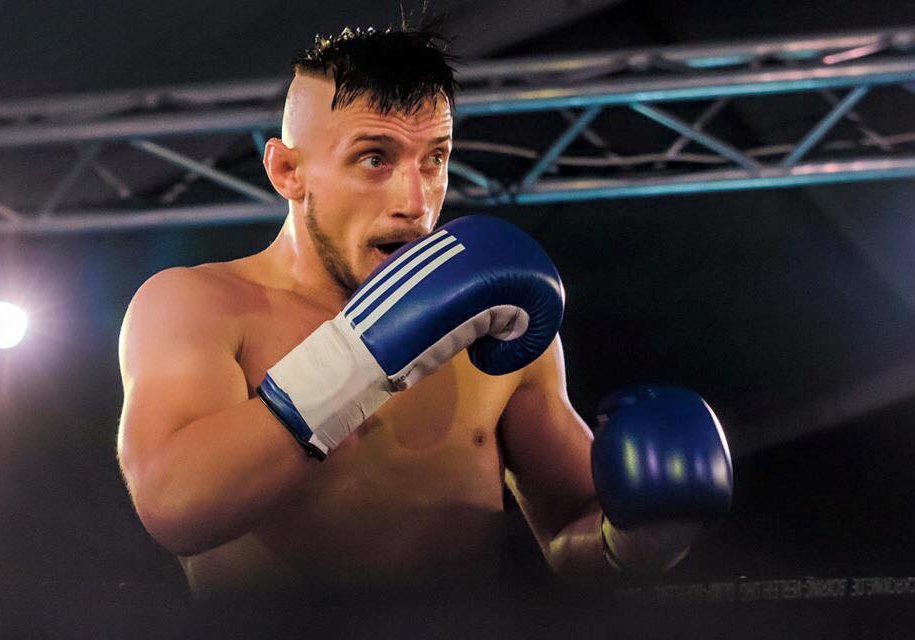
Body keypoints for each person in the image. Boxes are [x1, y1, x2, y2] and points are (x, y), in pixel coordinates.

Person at [116, 24, 732, 600]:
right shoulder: (200, 305)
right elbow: (176, 507)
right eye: (374, 158)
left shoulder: (494, 323)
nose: (415, 201)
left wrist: (642, 537)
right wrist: (362, 355)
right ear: (287, 170)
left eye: (433, 159)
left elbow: (573, 531)